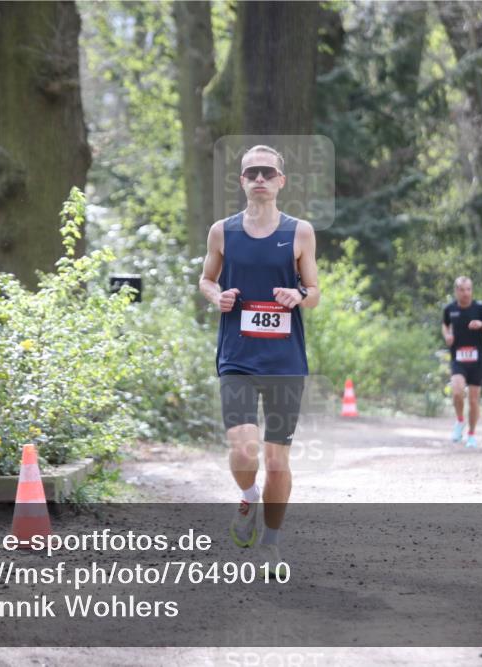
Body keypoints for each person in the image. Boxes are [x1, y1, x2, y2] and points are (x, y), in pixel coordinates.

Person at [198, 144, 320, 577]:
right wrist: (218, 296)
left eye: (269, 172)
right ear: (243, 182)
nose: (261, 179)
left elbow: (315, 293)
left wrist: (298, 295)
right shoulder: (222, 232)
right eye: (253, 173)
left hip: (286, 360)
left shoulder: (300, 232)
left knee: (276, 461)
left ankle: (271, 541)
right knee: (244, 446)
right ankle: (248, 496)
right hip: (238, 357)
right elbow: (207, 279)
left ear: (281, 181)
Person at [441, 276, 482, 447]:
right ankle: (460, 421)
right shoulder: (449, 309)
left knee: (473, 400)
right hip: (458, 358)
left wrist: (481, 325)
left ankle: (471, 435)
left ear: (471, 290)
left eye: (469, 289)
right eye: (462, 290)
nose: (466, 293)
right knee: (457, 391)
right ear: (456, 291)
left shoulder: (480, 308)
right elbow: (445, 324)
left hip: (477, 360)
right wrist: (447, 336)